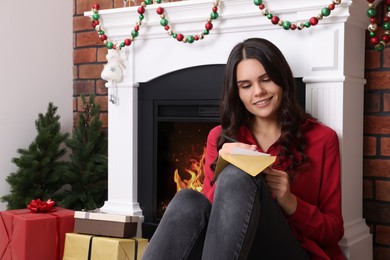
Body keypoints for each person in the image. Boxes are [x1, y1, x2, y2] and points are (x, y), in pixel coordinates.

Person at [142, 38, 344, 260]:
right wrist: (222, 171)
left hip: (291, 251)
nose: (258, 91)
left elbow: (333, 231)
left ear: (282, 80)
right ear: (236, 93)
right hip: (235, 248)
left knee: (236, 176)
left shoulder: (323, 139)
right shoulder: (219, 138)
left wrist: (290, 201)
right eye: (246, 86)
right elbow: (207, 215)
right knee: (187, 199)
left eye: (266, 80)